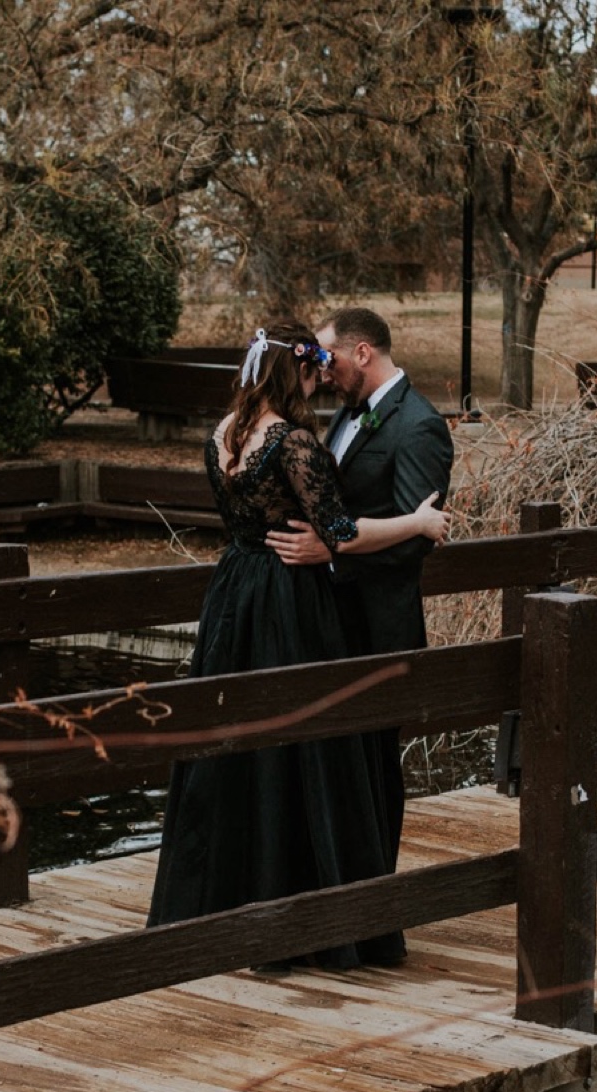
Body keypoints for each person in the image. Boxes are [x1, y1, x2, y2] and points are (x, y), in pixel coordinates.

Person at [146, 323, 449, 970]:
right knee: (306, 748)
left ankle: (218, 904)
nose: (323, 379)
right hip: (289, 600)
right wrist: (420, 521)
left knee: (232, 742)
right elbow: (337, 531)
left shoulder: (224, 432)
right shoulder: (295, 441)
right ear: (296, 372)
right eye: (314, 369)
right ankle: (305, 917)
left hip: (235, 594)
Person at [264, 307, 456, 965]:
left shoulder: (420, 426)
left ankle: (373, 922)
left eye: (329, 357)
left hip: (377, 629)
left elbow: (411, 548)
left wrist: (334, 556)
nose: (323, 369)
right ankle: (326, 915)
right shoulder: (343, 417)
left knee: (373, 772)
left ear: (363, 351)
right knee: (331, 771)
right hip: (327, 626)